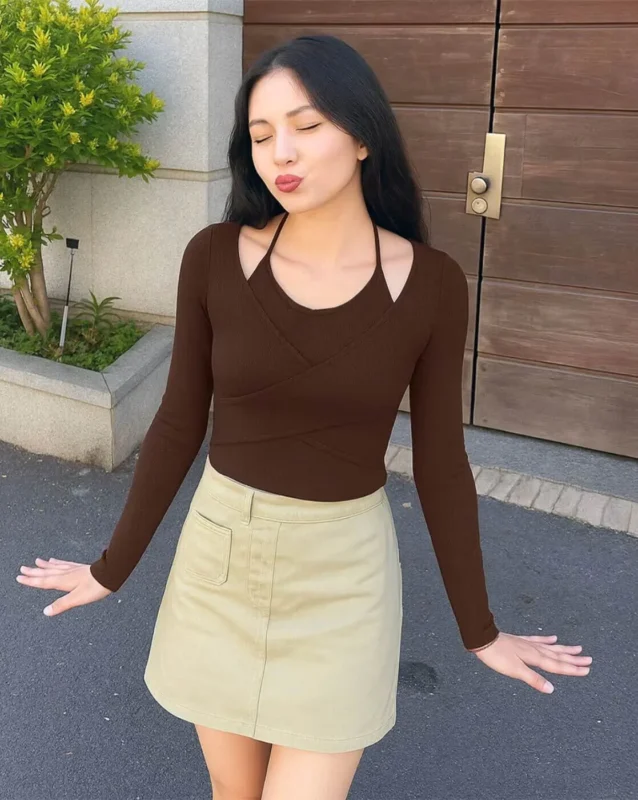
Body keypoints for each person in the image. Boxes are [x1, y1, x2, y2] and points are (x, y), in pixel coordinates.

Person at [16, 33, 592, 800]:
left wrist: (478, 628)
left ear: (362, 135)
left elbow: (441, 462)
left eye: (307, 125)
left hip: (344, 578)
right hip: (220, 561)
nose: (280, 152)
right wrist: (110, 567)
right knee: (234, 792)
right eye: (261, 136)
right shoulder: (213, 257)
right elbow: (180, 423)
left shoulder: (431, 285)